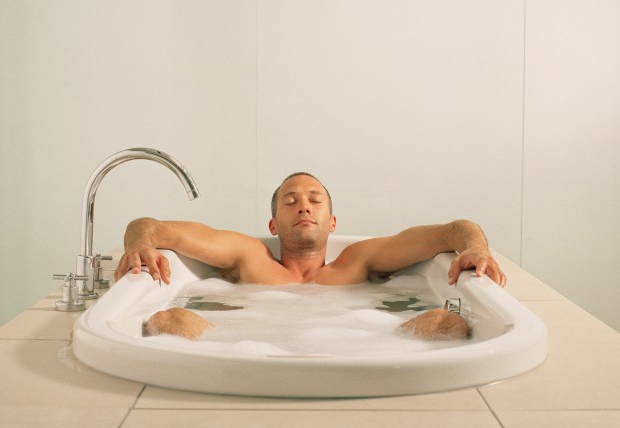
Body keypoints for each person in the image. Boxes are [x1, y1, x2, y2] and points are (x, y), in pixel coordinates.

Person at [114, 172, 506, 288]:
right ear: (273, 225)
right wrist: (140, 245)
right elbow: (150, 226)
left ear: (333, 223)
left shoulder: (360, 259)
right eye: (290, 201)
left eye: (315, 200)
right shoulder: (248, 255)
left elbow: (456, 229)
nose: (303, 205)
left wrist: (476, 249)